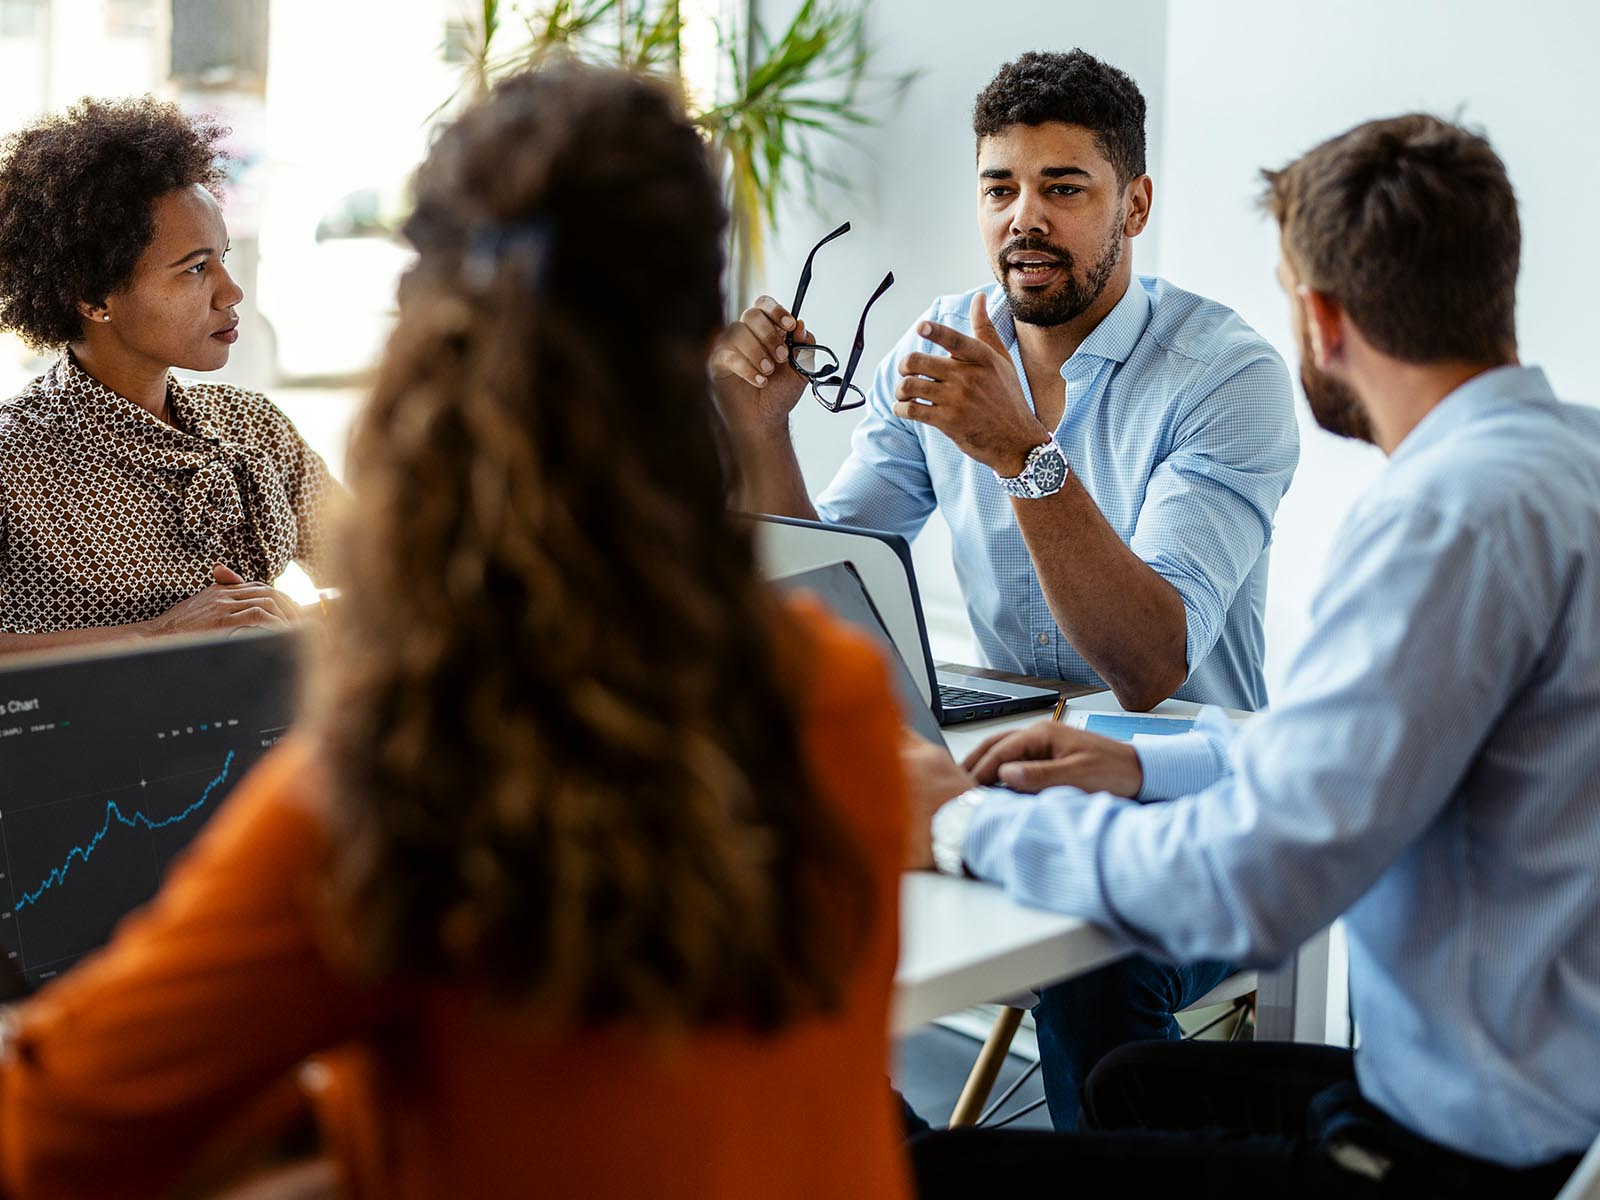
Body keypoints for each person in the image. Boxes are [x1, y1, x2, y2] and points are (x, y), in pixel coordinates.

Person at [0, 67, 911, 1199]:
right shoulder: (840, 695)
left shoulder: (394, 787)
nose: (231, 291)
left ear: (424, 356)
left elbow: (47, 1127)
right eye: (195, 266)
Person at [905, 113, 1599, 1197]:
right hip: (1536, 1100)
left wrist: (957, 822)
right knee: (1135, 1083)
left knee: (910, 1162)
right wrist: (1141, 765)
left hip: (1428, 1155)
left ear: (1320, 319)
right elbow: (1376, 744)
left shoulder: (1447, 520)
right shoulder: (1569, 458)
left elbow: (1254, 883)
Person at [714, 48, 1298, 1131]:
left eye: (1063, 188)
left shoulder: (1226, 376)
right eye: (1000, 188)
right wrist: (762, 434)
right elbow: (829, 581)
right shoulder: (938, 346)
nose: (1023, 218)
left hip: (1193, 791)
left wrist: (1022, 455)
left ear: (1135, 203)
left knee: (1094, 972)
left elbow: (1149, 661)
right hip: (1003, 766)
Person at [0, 96, 335, 653]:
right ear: (92, 296)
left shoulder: (253, 424)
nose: (231, 292)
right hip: (102, 741)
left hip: (272, 734)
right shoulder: (13, 462)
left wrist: (303, 621)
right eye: (197, 268)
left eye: (224, 258)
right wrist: (154, 636)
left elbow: (384, 572)